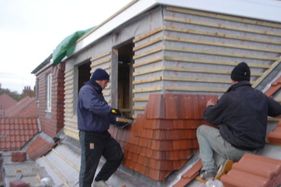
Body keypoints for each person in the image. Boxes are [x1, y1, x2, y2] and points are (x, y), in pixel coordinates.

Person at [196, 62, 281, 180]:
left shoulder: (229, 97)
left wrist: (209, 106)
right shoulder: (260, 96)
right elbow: (278, 110)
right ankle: (224, 162)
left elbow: (210, 117)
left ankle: (209, 170)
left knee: (201, 130)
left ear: (234, 80)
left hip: (235, 150)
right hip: (256, 150)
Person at [77, 68, 123, 187]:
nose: (106, 85)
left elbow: (103, 113)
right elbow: (94, 106)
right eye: (106, 82)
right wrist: (111, 110)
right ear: (101, 80)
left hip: (103, 134)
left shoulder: (97, 92)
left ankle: (99, 181)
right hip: (90, 136)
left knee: (116, 155)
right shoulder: (86, 90)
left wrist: (117, 120)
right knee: (88, 168)